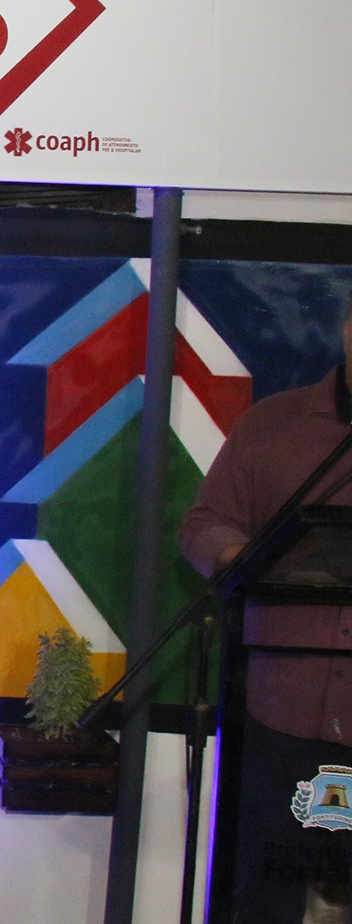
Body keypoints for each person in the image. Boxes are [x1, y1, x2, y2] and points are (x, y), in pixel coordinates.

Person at [181, 298, 352, 923]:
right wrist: (239, 555)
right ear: (348, 329)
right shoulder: (275, 425)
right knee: (261, 894)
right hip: (279, 708)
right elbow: (204, 524)